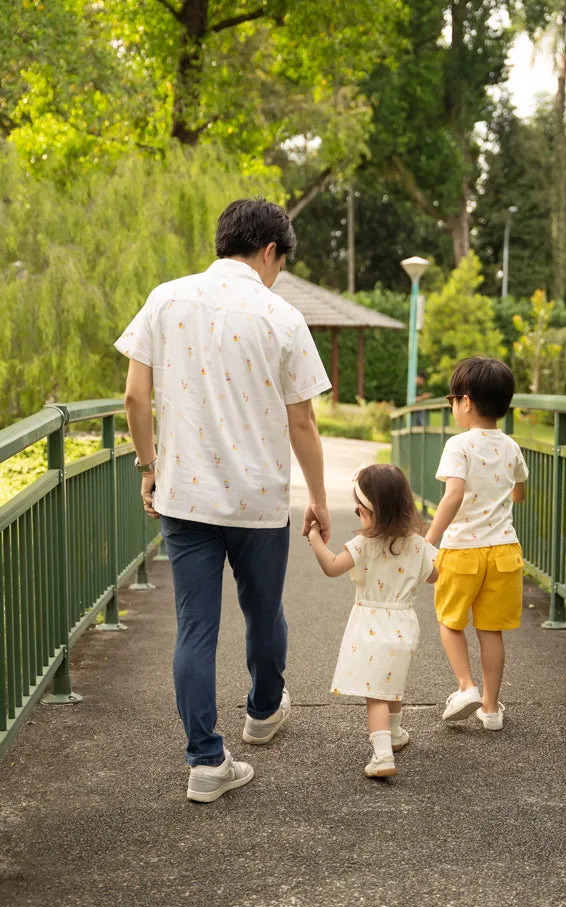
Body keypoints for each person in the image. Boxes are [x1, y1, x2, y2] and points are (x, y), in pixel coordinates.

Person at [115, 198, 331, 803]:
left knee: (195, 628)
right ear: (270, 252)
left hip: (185, 496)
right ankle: (263, 714)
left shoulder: (166, 298)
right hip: (260, 499)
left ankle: (206, 762)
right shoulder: (282, 316)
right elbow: (304, 424)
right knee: (264, 612)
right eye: (280, 262)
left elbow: (135, 397)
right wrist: (316, 496)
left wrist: (149, 467)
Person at [307, 464, 438, 779]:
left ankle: (382, 756)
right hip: (405, 624)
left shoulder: (364, 544)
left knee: (375, 693)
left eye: (359, 510)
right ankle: (394, 734)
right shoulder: (418, 543)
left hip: (371, 625)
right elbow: (434, 575)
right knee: (390, 681)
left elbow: (332, 567)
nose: (358, 515)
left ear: (372, 511)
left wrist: (314, 538)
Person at [425, 356, 527, 732]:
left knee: (450, 622)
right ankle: (491, 708)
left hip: (462, 550)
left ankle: (466, 687)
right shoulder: (511, 446)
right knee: (490, 629)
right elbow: (519, 494)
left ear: (465, 401)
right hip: (503, 551)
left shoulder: (458, 444)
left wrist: (429, 542)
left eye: (452, 399)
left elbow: (453, 495)